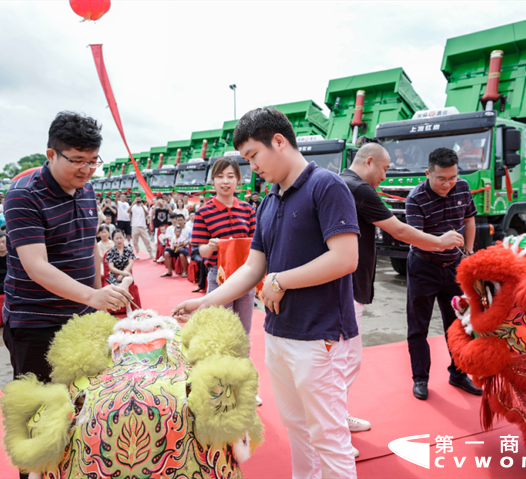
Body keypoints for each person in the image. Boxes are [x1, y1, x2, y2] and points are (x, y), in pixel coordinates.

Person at [173, 108, 360, 477]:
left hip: (318, 334)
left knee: (328, 435)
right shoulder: (270, 202)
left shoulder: (326, 186)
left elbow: (345, 258)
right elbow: (252, 268)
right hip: (278, 332)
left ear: (278, 142)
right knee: (296, 426)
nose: (251, 167)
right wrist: (204, 301)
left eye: (253, 156)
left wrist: (281, 280)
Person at [3, 110, 133, 455]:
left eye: (93, 161)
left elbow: (89, 247)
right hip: (36, 322)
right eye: (77, 160)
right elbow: (36, 267)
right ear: (51, 155)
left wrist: (93, 301)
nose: (86, 169)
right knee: (40, 416)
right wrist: (92, 295)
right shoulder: (24, 195)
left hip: (79, 317)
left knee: (82, 406)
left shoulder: (87, 190)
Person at [340, 142, 465, 431]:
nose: (385, 176)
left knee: (344, 359)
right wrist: (440, 242)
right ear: (369, 161)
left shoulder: (339, 181)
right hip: (351, 285)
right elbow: (398, 229)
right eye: (384, 169)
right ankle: (333, 425)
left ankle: (335, 419)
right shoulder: (360, 189)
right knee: (346, 361)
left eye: (452, 178)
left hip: (345, 282)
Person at [405, 147, 481, 401]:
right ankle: (420, 378)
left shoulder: (462, 187)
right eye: (441, 179)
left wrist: (468, 251)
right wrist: (441, 241)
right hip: (423, 267)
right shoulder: (415, 199)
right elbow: (415, 239)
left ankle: (458, 373)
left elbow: (469, 219)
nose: (447, 184)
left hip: (454, 268)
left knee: (459, 324)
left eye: (452, 177)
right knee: (418, 326)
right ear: (428, 173)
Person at [191, 156, 257, 336]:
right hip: (218, 275)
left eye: (230, 176)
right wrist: (212, 246)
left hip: (246, 275)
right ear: (213, 181)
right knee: (220, 331)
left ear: (238, 180)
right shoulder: (203, 212)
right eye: (220, 176)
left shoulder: (248, 210)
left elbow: (255, 245)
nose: (225, 181)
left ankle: (242, 364)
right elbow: (202, 251)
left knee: (243, 332)